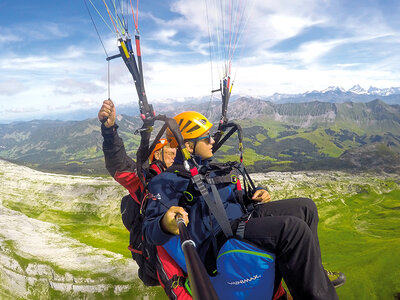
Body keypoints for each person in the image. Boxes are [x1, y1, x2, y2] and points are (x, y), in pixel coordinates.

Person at [143, 111, 345, 300]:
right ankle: (315, 294)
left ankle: (315, 274)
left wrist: (256, 193)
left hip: (241, 218)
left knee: (305, 208)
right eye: (206, 138)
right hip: (219, 239)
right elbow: (149, 231)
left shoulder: (206, 169)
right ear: (188, 146)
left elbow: (228, 198)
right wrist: (164, 223)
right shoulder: (167, 181)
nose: (212, 141)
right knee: (293, 230)